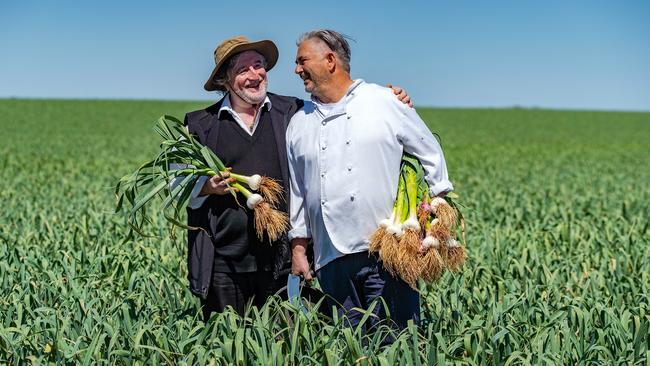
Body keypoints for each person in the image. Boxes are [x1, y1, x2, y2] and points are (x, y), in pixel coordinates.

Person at [181, 36, 412, 321]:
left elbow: (341, 108)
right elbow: (176, 184)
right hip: (224, 265)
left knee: (287, 345)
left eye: (259, 66)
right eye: (244, 70)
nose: (255, 75)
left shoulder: (294, 111)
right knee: (227, 344)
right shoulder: (199, 125)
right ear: (225, 81)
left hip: (282, 262)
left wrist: (389, 98)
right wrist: (207, 186)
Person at [287, 29, 454, 331]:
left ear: (330, 60)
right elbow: (298, 191)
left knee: (398, 342)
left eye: (302, 61)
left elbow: (430, 151)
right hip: (330, 257)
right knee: (348, 349)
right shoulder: (299, 122)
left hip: (387, 253)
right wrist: (299, 248)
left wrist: (438, 209)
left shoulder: (383, 101)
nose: (297, 70)